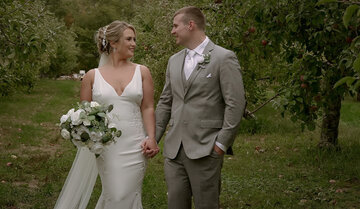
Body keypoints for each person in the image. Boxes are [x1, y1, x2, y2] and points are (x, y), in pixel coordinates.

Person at [54, 20, 159, 209]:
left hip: (136, 145)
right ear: (113, 42)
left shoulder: (142, 71)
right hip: (107, 147)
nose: (134, 43)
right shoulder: (92, 76)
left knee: (127, 195)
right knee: (115, 195)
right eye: (129, 39)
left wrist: (151, 137)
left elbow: (148, 107)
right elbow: (84, 114)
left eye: (134, 39)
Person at [153, 6, 246, 209]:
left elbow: (235, 103)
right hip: (174, 150)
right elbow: (166, 101)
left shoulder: (223, 57)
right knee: (175, 204)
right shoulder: (173, 61)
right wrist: (154, 137)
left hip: (206, 148)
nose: (172, 31)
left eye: (175, 26)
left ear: (191, 25)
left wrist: (221, 144)